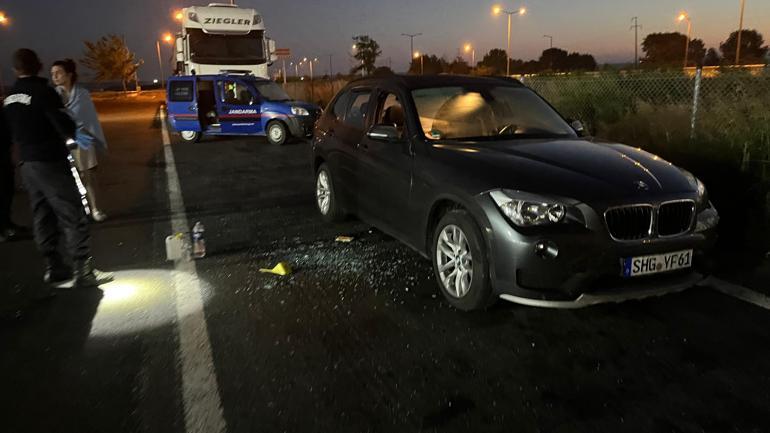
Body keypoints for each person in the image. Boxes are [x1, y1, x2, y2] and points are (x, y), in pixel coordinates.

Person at [3, 48, 110, 287]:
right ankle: (83, 269)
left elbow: (7, 130)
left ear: (15, 70)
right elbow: (62, 123)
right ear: (39, 65)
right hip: (50, 161)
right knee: (73, 213)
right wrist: (72, 135)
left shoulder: (9, 96)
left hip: (27, 165)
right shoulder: (44, 93)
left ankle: (54, 267)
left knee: (42, 215)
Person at [51, 59, 108, 222]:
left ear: (69, 75)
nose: (54, 76)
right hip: (62, 142)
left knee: (87, 175)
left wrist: (95, 139)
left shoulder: (82, 94)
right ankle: (76, 212)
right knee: (66, 179)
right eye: (52, 74)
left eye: (58, 73)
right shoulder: (53, 96)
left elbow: (90, 119)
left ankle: (95, 208)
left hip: (82, 139)